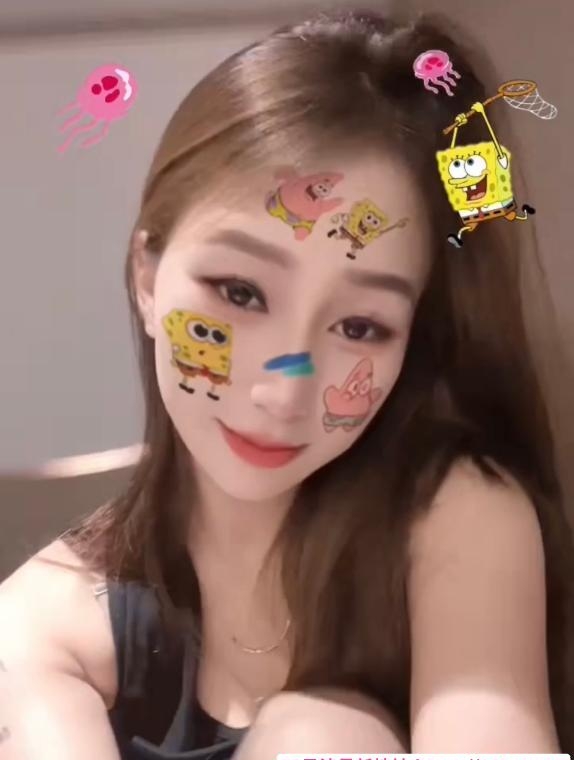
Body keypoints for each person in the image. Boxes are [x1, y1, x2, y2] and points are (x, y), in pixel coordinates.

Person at [1, 7, 573, 759]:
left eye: (360, 326)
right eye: (240, 292)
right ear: (148, 275)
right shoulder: (43, 622)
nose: (284, 392)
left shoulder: (456, 517)